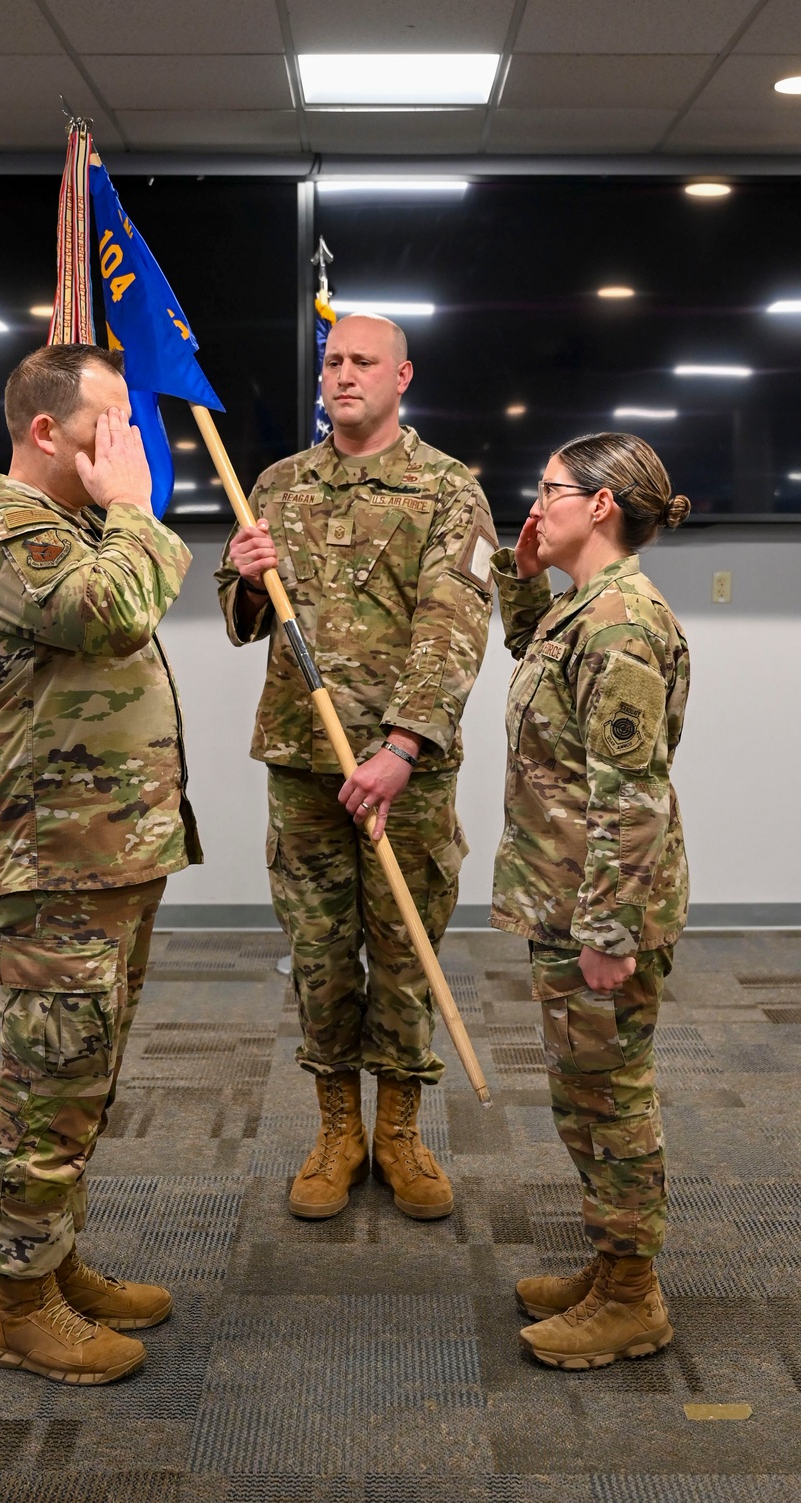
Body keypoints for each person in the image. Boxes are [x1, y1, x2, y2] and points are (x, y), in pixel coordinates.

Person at [0, 343, 201, 1386]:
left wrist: (123, 520)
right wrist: (138, 511)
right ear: (47, 431)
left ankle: (51, 1265)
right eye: (111, 421)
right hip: (48, 867)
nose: (127, 442)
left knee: (80, 1080)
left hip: (102, 860)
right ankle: (15, 1308)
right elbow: (113, 613)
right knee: (46, 1088)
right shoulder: (5, 534)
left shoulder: (72, 533)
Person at [215, 314, 496, 1222]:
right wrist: (246, 574)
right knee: (321, 955)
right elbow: (246, 617)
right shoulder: (278, 484)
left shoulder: (449, 490)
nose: (342, 375)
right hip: (304, 764)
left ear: (402, 375)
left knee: (406, 952)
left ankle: (401, 1131)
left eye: (362, 361)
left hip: (404, 774)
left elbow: (453, 629)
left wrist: (401, 747)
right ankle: (338, 1128)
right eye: (332, 361)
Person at [490, 431, 691, 1370]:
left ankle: (633, 1296)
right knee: (586, 1096)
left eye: (550, 488)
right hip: (568, 896)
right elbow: (537, 669)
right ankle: (613, 1265)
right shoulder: (582, 609)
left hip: (599, 909)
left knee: (608, 1099)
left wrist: (608, 928)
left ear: (602, 504)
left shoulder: (620, 625)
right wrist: (524, 573)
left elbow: (631, 791)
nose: (537, 504)